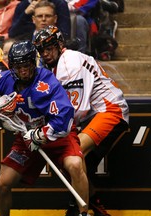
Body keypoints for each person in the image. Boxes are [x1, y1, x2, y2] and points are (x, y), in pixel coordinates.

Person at [0, 40, 90, 216]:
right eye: (18, 67)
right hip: (26, 138)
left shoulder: (47, 81)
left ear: (34, 62)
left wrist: (40, 134)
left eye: (26, 65)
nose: (23, 71)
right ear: (11, 66)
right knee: (2, 184)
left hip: (56, 134)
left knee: (75, 164)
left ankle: (83, 213)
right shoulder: (2, 78)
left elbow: (64, 118)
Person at [33, 25, 129, 216]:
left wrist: (47, 127)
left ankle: (77, 208)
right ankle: (93, 203)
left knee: (75, 155)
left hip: (111, 110)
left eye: (49, 47)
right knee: (70, 162)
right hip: (97, 113)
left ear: (60, 45)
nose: (45, 53)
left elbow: (77, 111)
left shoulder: (70, 65)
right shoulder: (59, 64)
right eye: (41, 49)